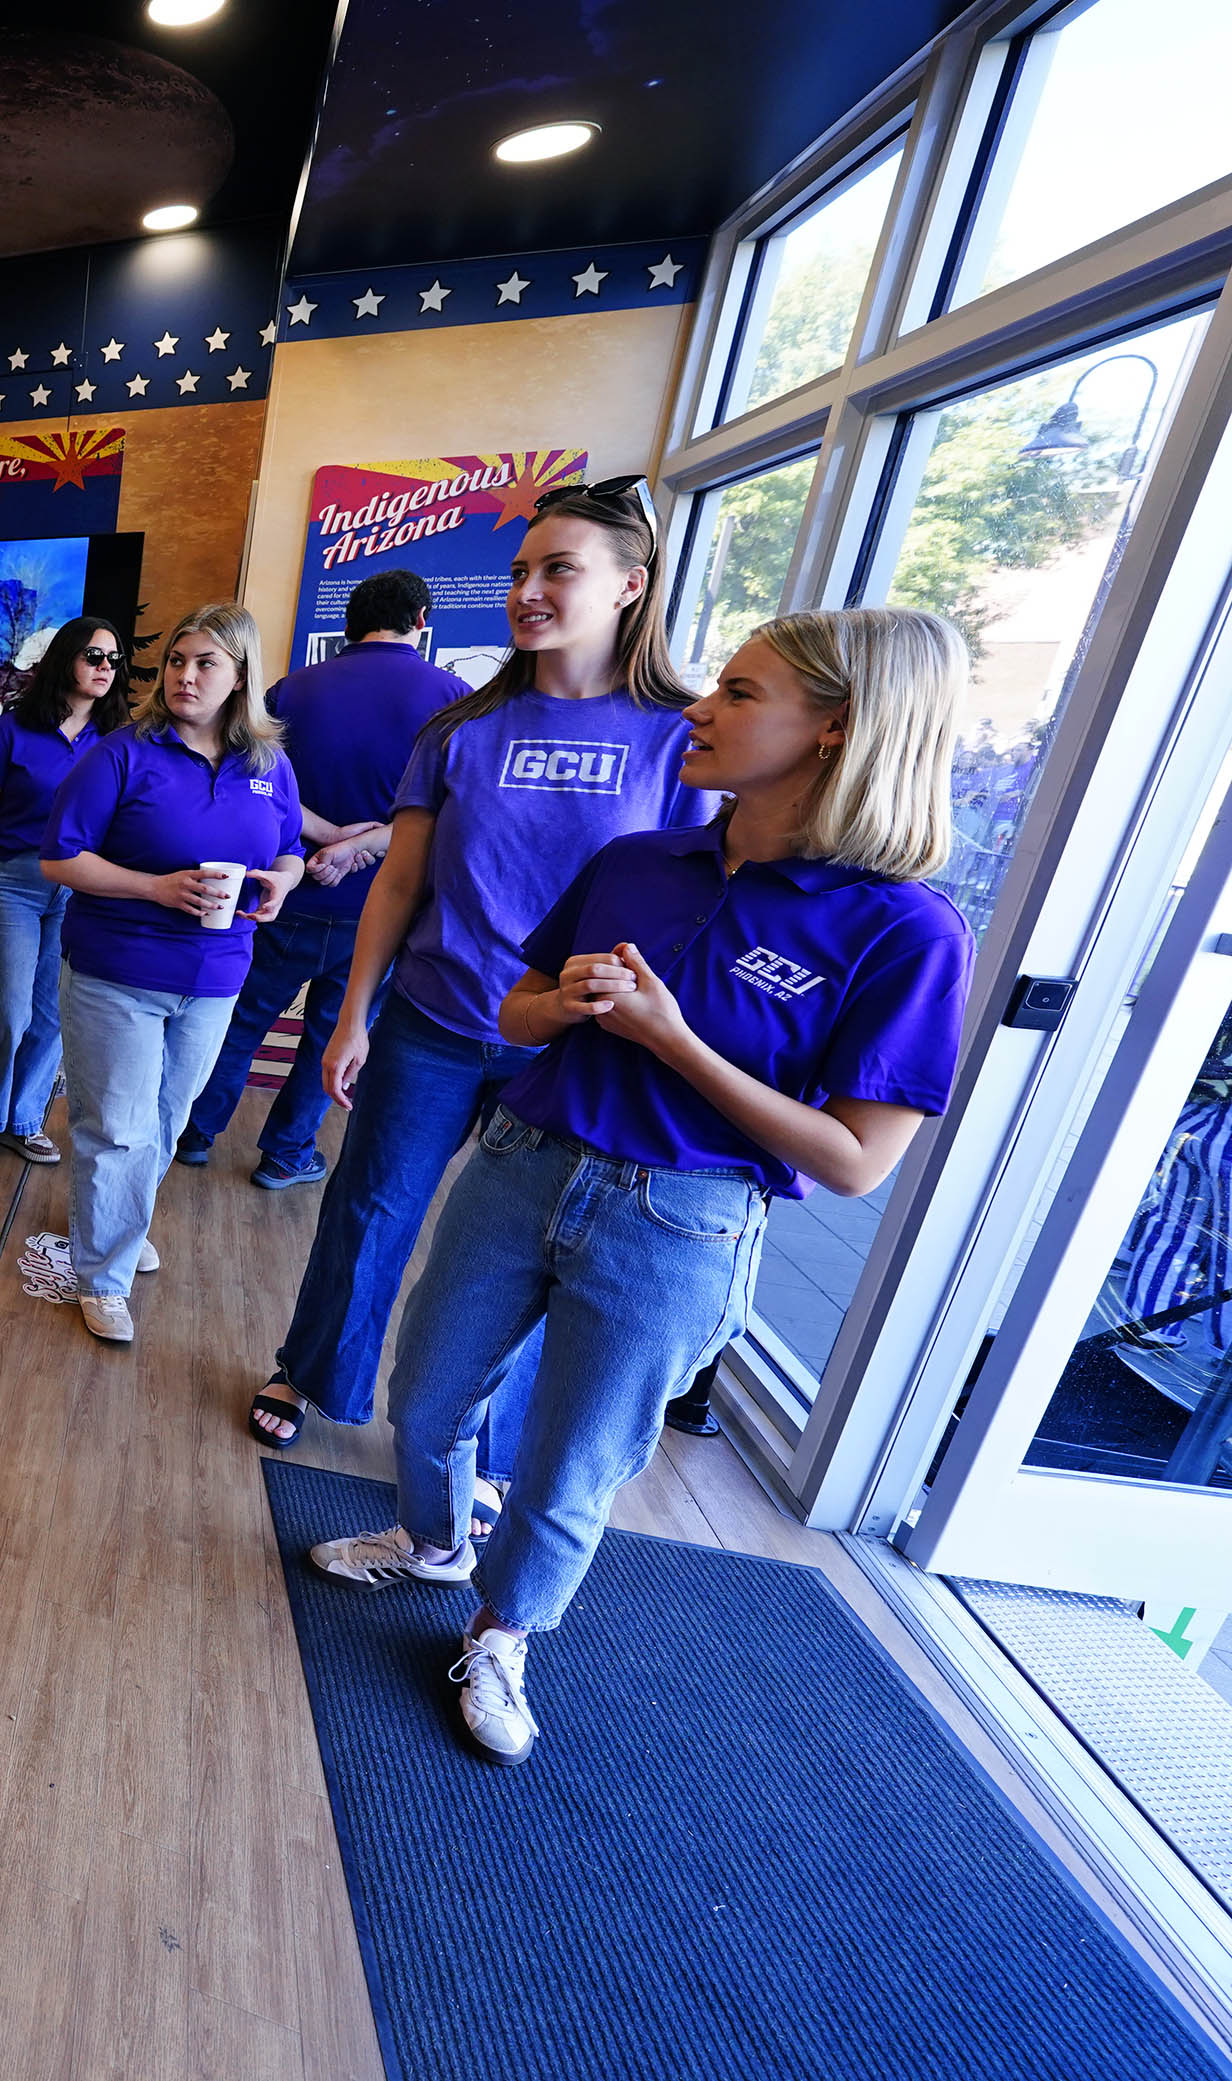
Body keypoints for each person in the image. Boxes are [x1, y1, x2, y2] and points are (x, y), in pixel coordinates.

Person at [308, 607, 975, 1765]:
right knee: (422, 1393)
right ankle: (432, 1542)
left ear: (836, 730)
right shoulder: (636, 863)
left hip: (684, 1219)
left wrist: (677, 1042)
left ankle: (504, 1630)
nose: (700, 710)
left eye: (739, 692)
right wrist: (557, 1008)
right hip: (525, 1161)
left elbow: (856, 1159)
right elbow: (514, 1008)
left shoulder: (906, 930)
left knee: (573, 1461)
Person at [250, 480, 718, 1456]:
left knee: (523, 1255)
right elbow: (398, 883)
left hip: (571, 1050)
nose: (528, 589)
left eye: (560, 568)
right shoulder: (461, 728)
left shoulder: (680, 740)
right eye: (519, 570)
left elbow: (696, 908)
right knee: (370, 1208)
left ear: (632, 585)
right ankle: (312, 1370)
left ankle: (488, 1445)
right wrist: (351, 1019)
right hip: (434, 1022)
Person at [42, 602, 305, 1345]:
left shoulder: (268, 764)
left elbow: (286, 845)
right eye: (177, 660)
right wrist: (156, 887)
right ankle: (102, 1274)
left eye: (206, 663)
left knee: (165, 1117)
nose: (186, 675)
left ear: (241, 676)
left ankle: (121, 1222)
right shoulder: (122, 754)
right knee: (118, 1128)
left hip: (217, 977)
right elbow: (60, 857)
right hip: (116, 971)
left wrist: (284, 880)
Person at [177, 569, 465, 1188]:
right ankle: (287, 1154)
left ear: (347, 622)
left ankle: (193, 1133)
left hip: (282, 891)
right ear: (421, 621)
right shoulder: (454, 697)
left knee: (240, 1020)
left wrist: (329, 836)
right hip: (382, 906)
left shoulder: (290, 690)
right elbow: (447, 810)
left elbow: (253, 784)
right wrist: (364, 843)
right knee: (334, 1035)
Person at [0, 617, 131, 1166]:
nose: (105, 668)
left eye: (113, 659)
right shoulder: (13, 728)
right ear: (65, 659)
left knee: (52, 1013)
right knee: (6, 1009)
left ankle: (23, 1120)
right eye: (93, 656)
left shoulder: (121, 737)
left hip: (80, 887)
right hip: (12, 881)